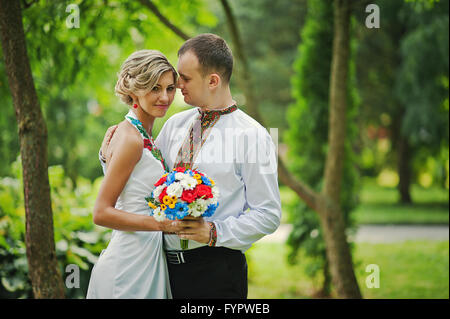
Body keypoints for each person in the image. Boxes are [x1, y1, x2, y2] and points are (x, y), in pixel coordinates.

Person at [101, 34, 282, 299]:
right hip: (160, 269)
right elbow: (142, 179)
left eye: (184, 78)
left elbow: (268, 214)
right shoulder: (175, 124)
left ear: (212, 81)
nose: (177, 84)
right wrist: (110, 153)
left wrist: (213, 232)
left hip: (215, 274)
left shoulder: (253, 136)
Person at [86, 50, 183, 299]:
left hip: (147, 258)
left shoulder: (138, 135)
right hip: (128, 266)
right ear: (133, 91)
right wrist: (162, 224)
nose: (165, 97)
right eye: (154, 88)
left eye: (170, 88)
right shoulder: (131, 139)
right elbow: (101, 212)